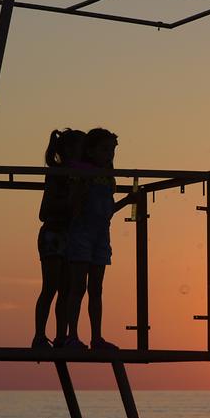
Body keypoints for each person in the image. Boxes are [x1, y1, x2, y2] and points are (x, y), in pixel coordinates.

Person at [65, 127, 121, 350]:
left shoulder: (108, 177)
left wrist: (128, 201)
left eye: (112, 150)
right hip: (81, 233)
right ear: (91, 151)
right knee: (78, 286)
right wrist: (82, 187)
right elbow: (73, 203)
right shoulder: (80, 172)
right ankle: (72, 336)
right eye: (105, 149)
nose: (110, 154)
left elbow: (107, 209)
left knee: (96, 289)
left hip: (101, 235)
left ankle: (96, 337)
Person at [33, 128, 86, 349]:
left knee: (67, 288)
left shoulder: (82, 175)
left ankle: (61, 336)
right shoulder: (56, 174)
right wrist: (71, 202)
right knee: (51, 287)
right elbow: (44, 212)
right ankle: (39, 336)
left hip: (70, 236)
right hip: (54, 235)